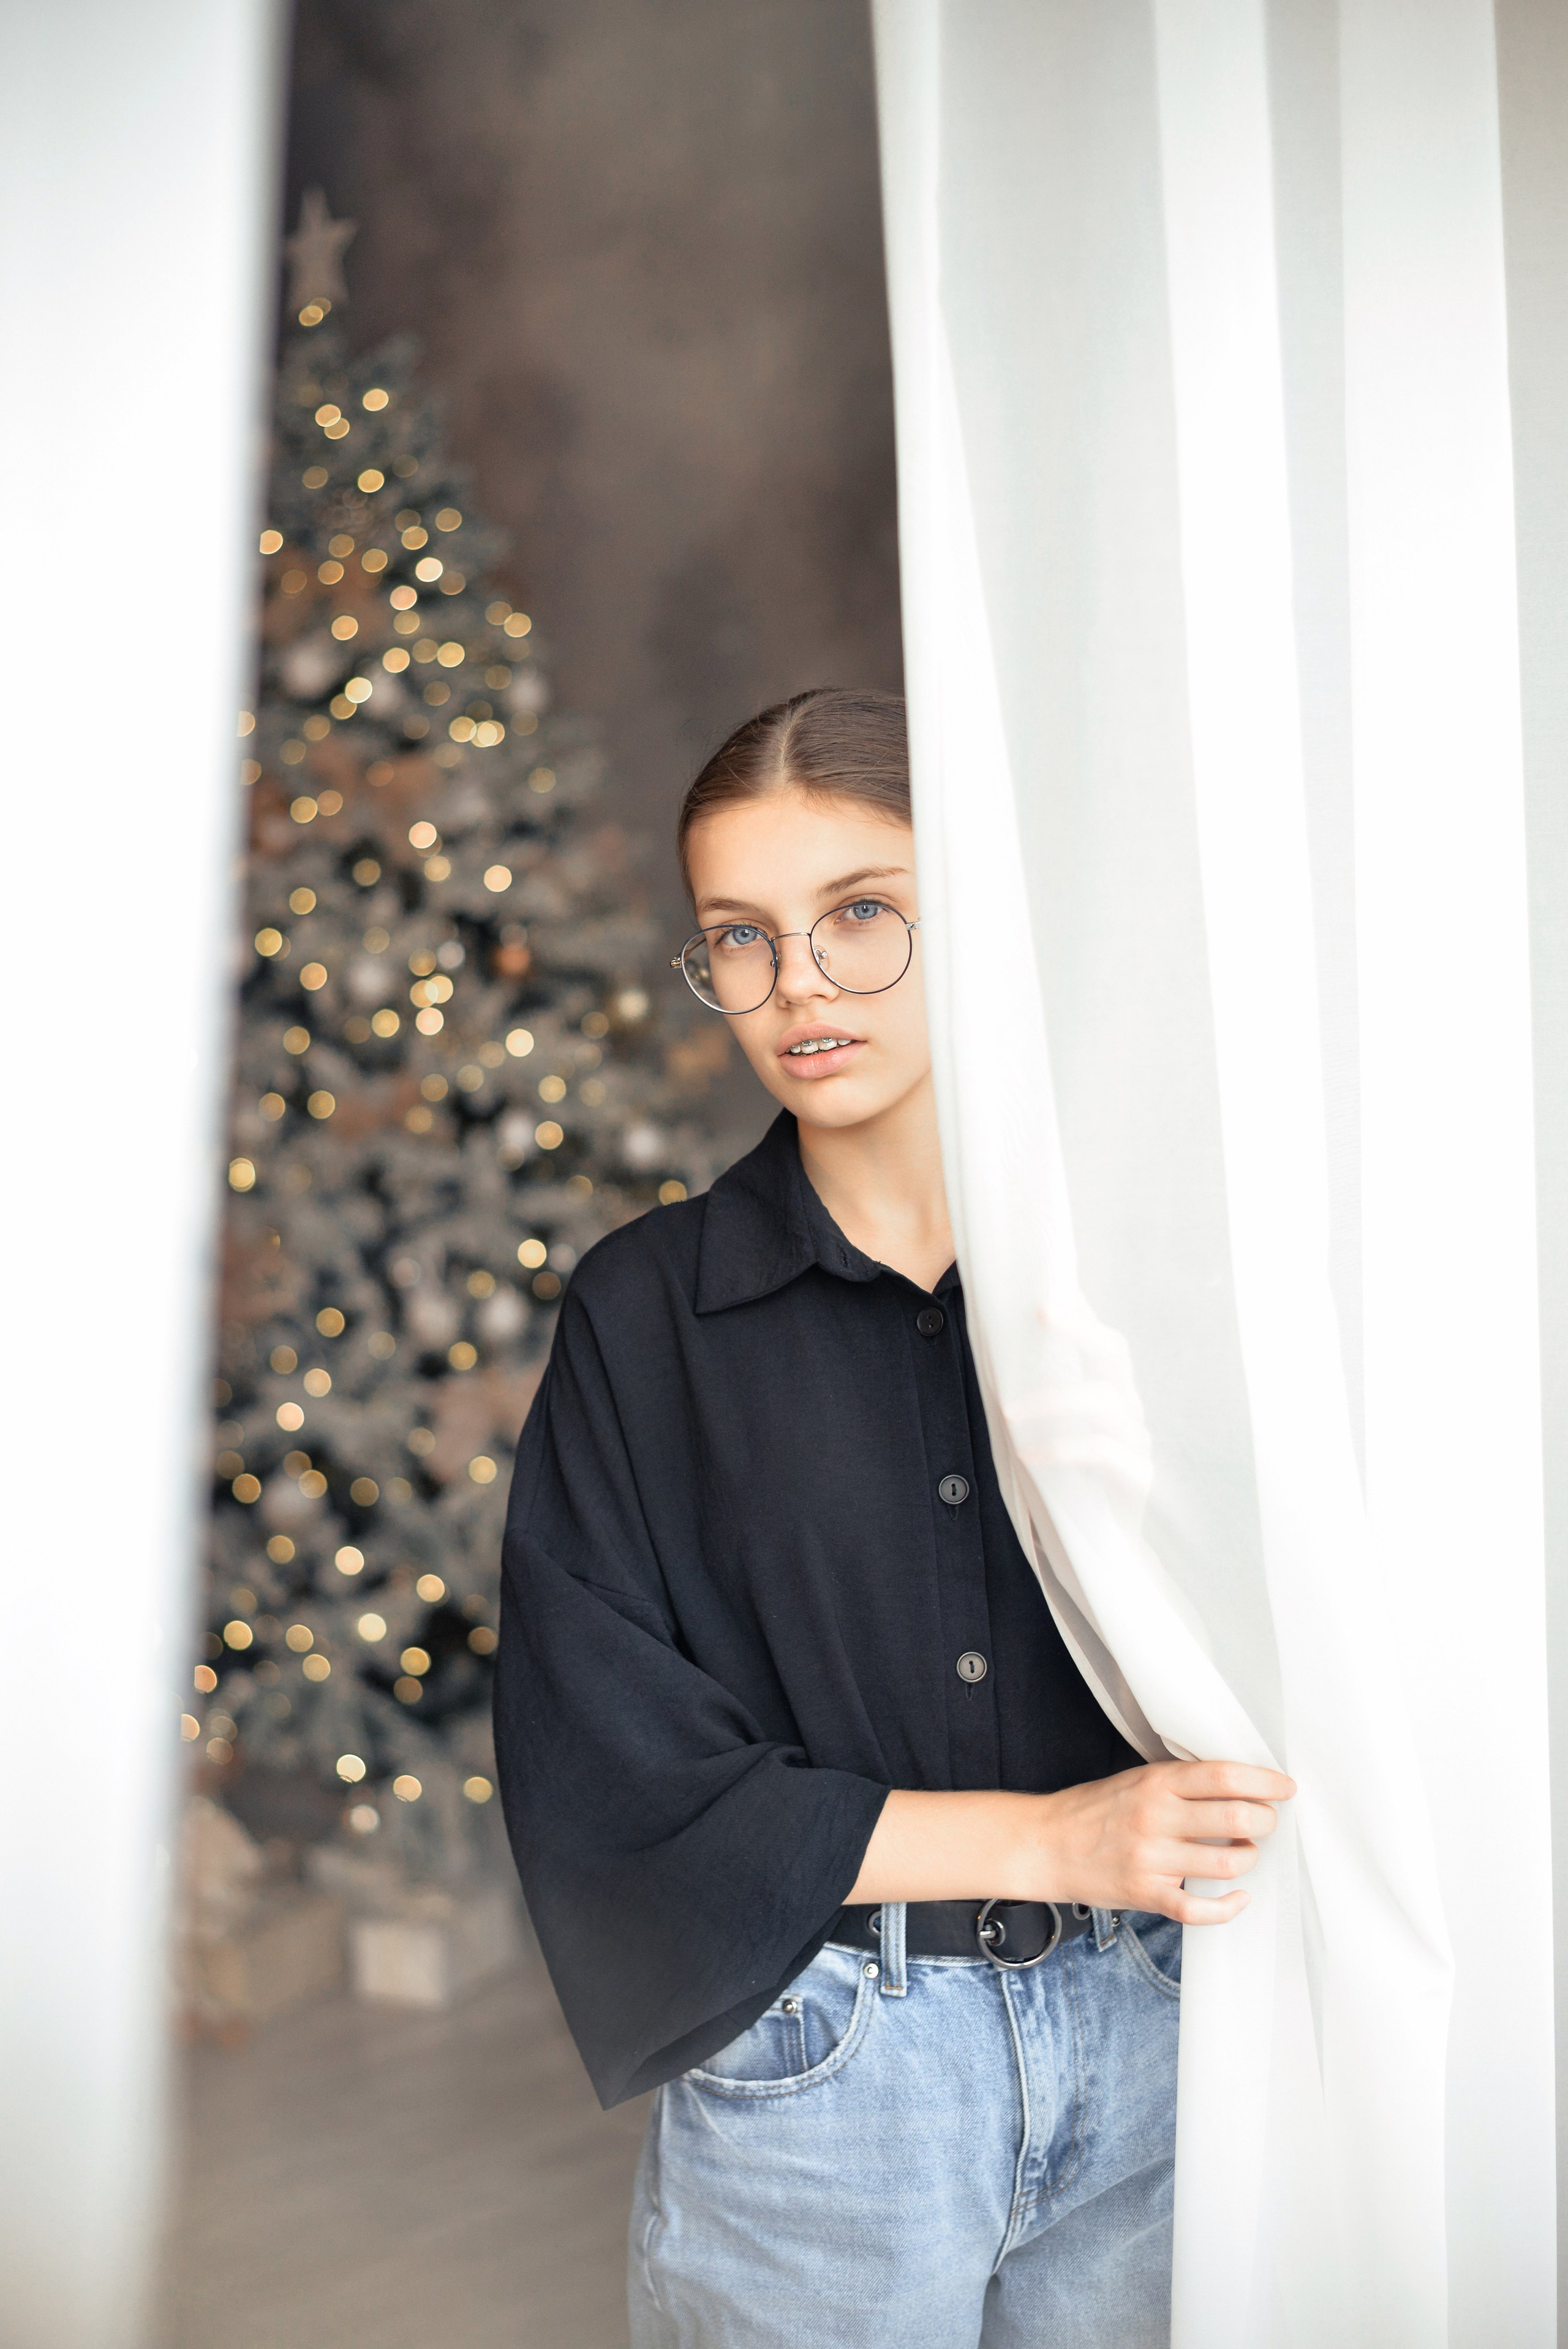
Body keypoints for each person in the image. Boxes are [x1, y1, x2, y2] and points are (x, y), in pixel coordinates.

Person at [494, 687, 1294, 2349]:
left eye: (861, 914)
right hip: (825, 2084)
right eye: (740, 935)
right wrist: (1050, 1838)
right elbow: (613, 1772)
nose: (799, 987)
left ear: (980, 919)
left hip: (1175, 2040)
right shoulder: (643, 1318)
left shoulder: (1161, 1285)